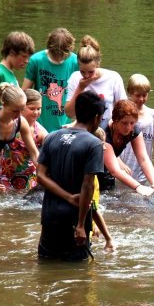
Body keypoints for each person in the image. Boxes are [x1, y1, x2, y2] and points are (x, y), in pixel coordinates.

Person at [36, 90, 106, 260]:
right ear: (96, 117)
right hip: (75, 220)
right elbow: (88, 184)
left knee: (46, 268)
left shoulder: (51, 137)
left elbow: (40, 176)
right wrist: (81, 224)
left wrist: (66, 197)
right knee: (77, 277)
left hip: (49, 216)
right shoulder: (94, 143)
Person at [22, 27, 79, 132]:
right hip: (40, 124)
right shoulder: (36, 60)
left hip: (67, 125)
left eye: (63, 55)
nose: (59, 58)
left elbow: (84, 95)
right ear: (49, 48)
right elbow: (24, 93)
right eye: (56, 54)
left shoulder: (76, 62)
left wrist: (76, 123)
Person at [64, 35, 127, 129]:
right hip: (83, 129)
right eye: (82, 71)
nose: (86, 76)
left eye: (90, 72)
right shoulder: (75, 77)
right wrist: (80, 88)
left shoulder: (113, 77)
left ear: (98, 64)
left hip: (107, 128)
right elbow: (69, 114)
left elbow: (124, 109)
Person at [96, 100, 154, 195]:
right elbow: (115, 170)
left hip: (106, 170)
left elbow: (143, 159)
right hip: (90, 168)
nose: (128, 127)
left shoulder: (134, 130)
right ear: (115, 120)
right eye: (124, 123)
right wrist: (138, 187)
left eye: (132, 123)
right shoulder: (103, 133)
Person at [0, 88, 48, 190]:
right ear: (21, 107)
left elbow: (42, 157)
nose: (36, 112)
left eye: (39, 108)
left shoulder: (41, 132)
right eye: (32, 108)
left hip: (29, 177)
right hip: (5, 173)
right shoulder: (9, 125)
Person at [120, 74, 154, 184]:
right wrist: (119, 163)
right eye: (137, 95)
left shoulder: (153, 115)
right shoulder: (122, 115)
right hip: (124, 171)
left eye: (144, 95)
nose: (141, 99)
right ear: (129, 93)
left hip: (145, 172)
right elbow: (112, 144)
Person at [0, 31, 35, 112]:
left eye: (28, 57)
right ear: (12, 52)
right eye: (24, 56)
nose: (27, 61)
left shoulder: (9, 72)